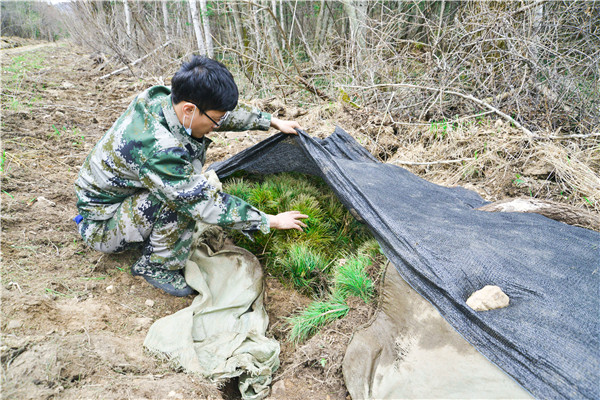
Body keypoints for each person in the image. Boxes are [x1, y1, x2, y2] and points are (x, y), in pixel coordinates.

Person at [74, 56, 308, 296]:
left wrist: (271, 121)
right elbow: (199, 200)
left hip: (116, 199)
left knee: (184, 183)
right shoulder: (157, 147)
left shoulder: (165, 100)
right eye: (215, 121)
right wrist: (268, 220)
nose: (217, 126)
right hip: (102, 226)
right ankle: (155, 267)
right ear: (189, 109)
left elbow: (219, 113)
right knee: (183, 199)